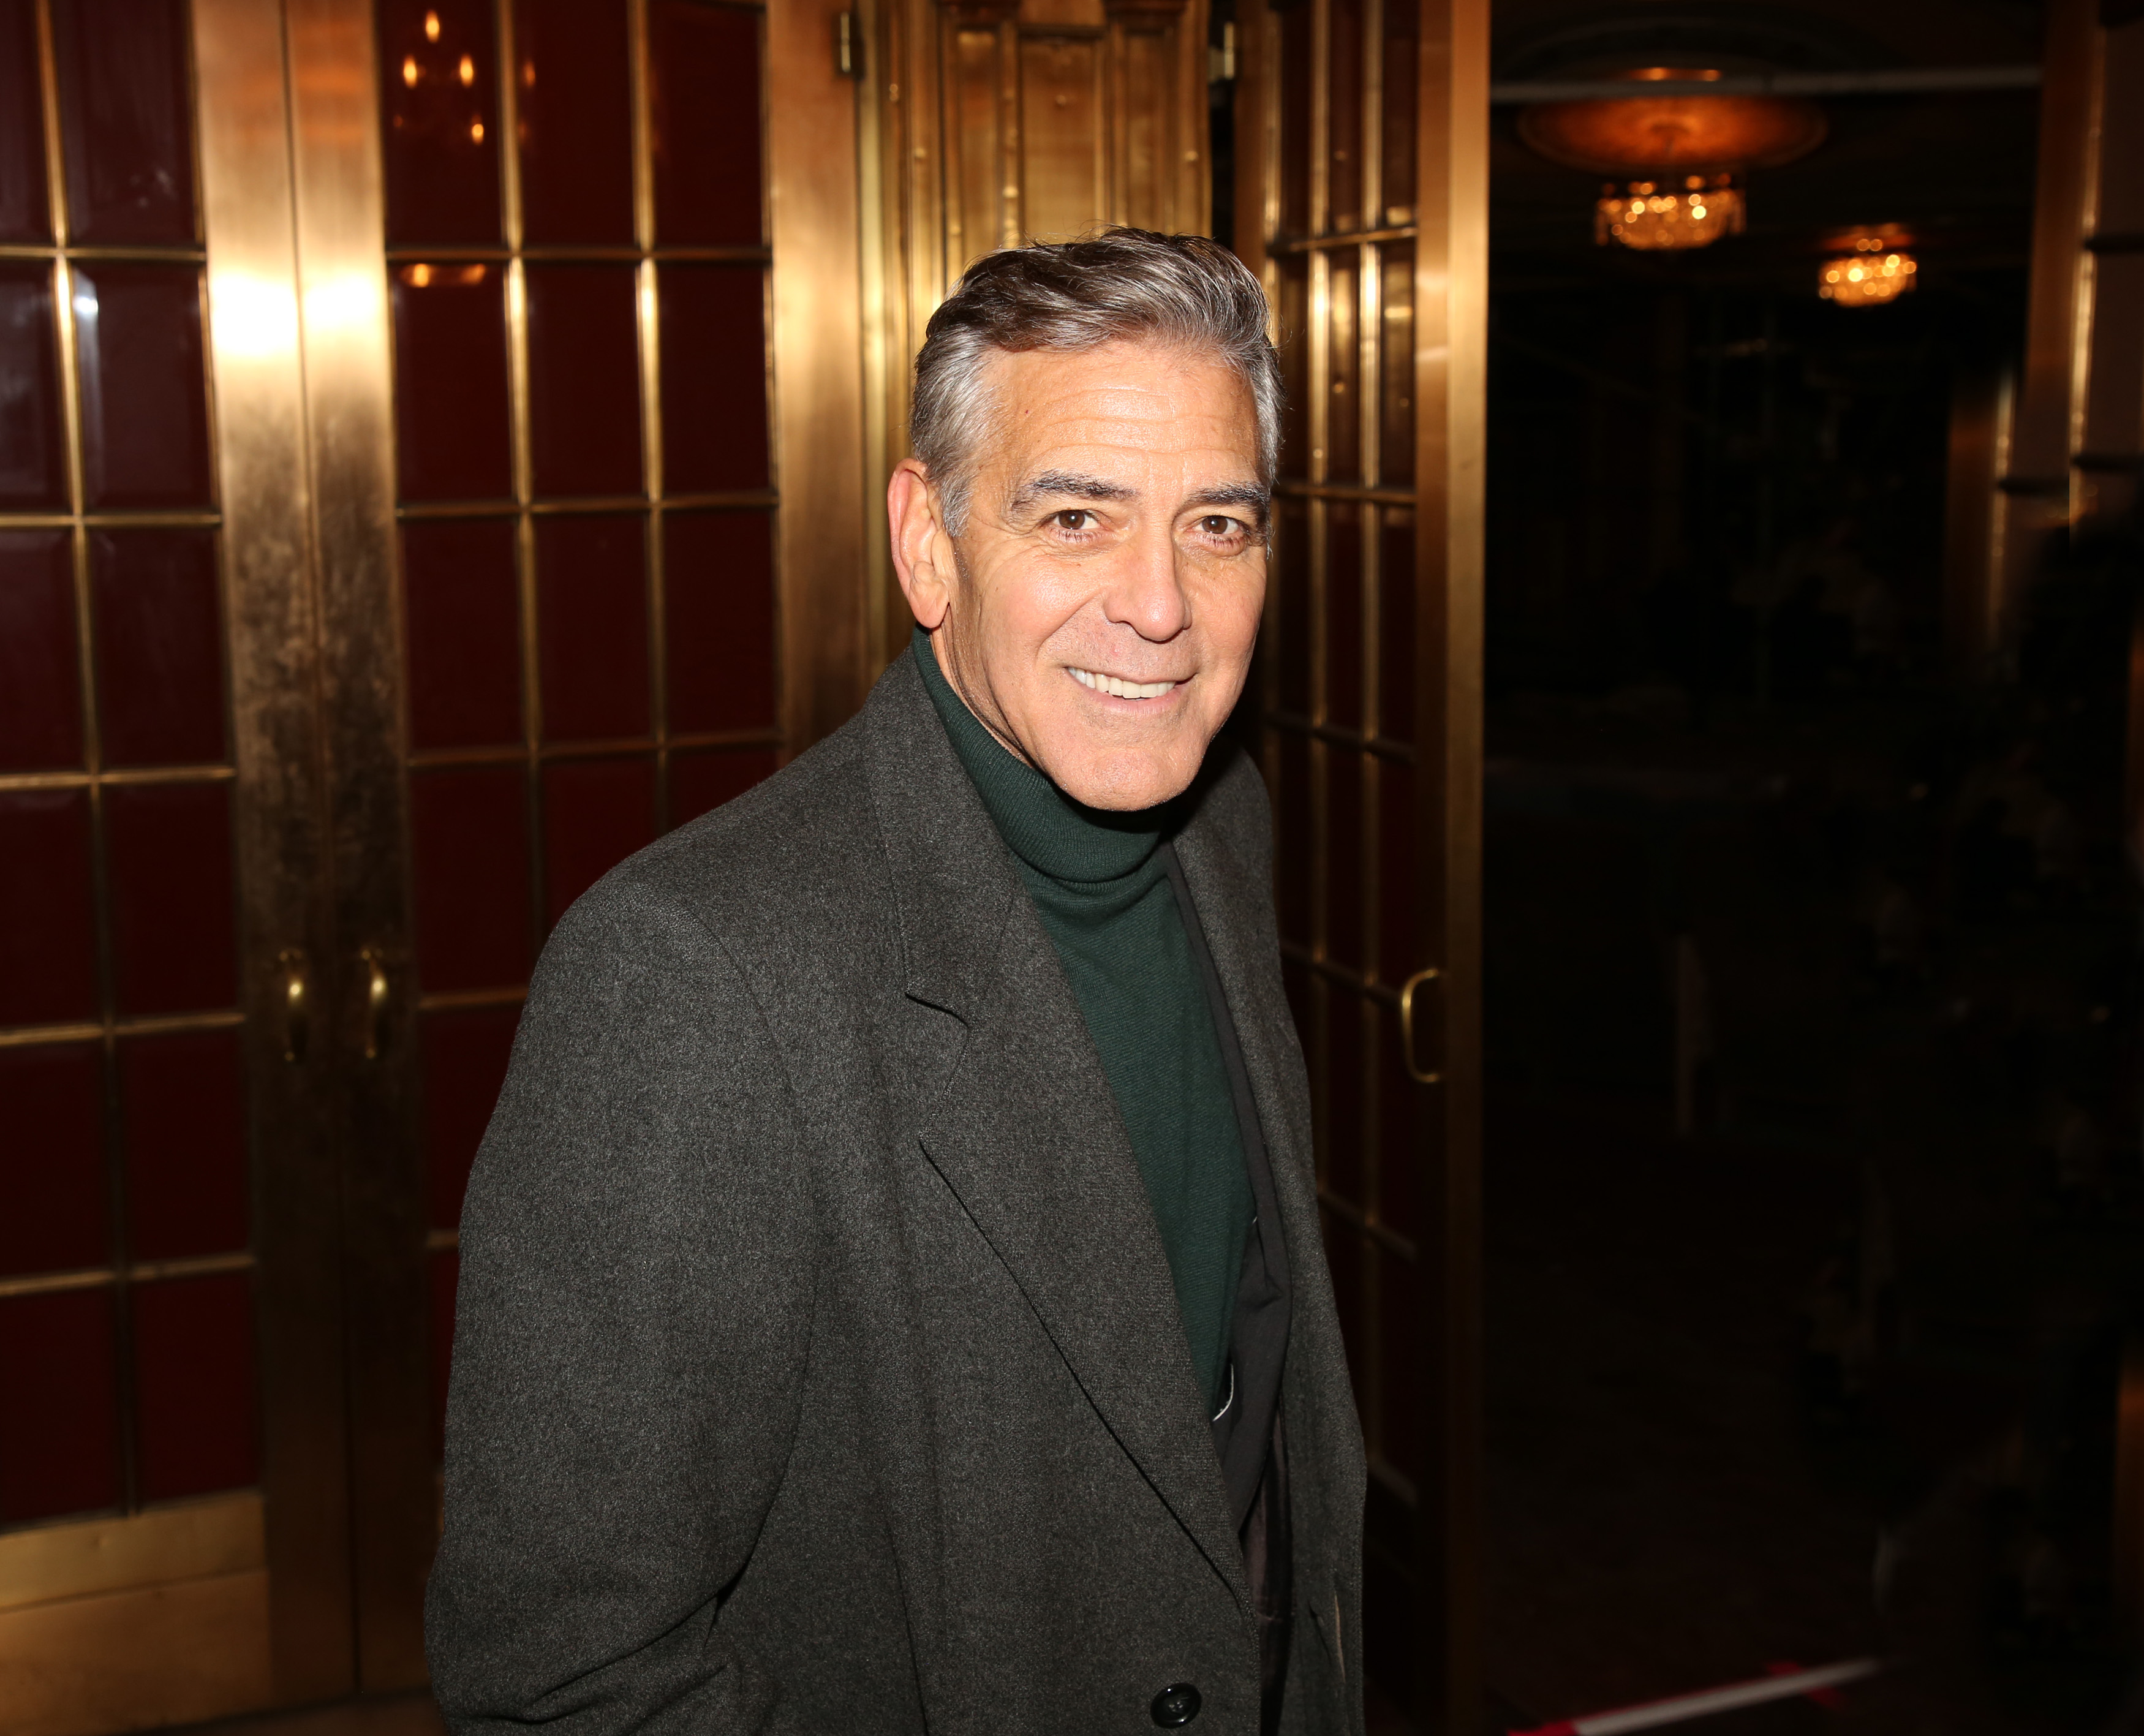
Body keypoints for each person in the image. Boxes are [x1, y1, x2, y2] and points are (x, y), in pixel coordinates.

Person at [425, 228, 1365, 1735]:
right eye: (1075, 516)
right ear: (927, 543)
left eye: (1218, 525)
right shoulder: (691, 976)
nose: (1160, 606)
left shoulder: (1222, 824)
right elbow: (564, 1677)